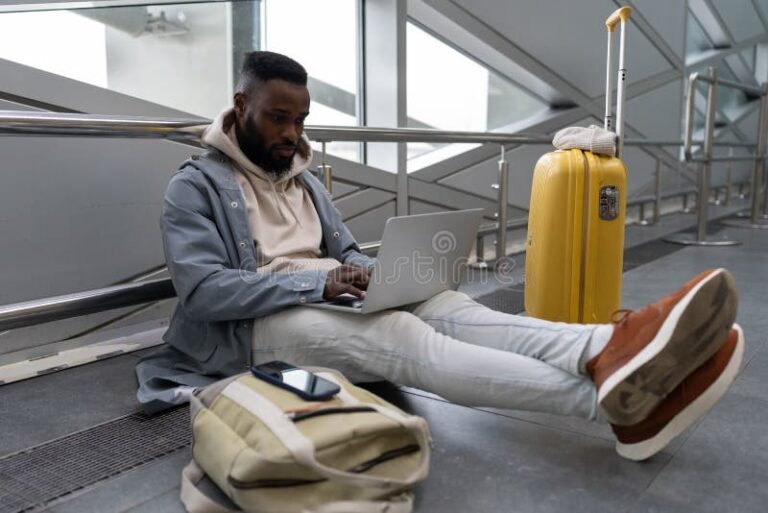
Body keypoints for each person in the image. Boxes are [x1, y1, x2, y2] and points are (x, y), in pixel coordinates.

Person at [136, 51, 744, 461]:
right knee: (404, 336)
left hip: (329, 296)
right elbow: (206, 292)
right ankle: (611, 405)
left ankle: (606, 348)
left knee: (459, 309)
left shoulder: (304, 179)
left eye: (299, 119)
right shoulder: (194, 187)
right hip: (252, 327)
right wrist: (314, 287)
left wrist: (379, 272)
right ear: (240, 106)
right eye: (277, 117)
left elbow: (342, 249)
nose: (292, 134)